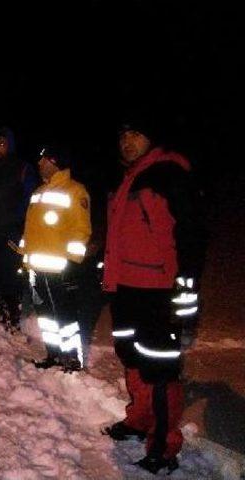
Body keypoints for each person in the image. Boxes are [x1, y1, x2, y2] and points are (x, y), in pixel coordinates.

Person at [101, 117, 204, 474]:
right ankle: (139, 420)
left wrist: (185, 293)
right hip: (126, 289)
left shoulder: (169, 176)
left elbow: (190, 238)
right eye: (123, 134)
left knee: (160, 370)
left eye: (137, 133)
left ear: (152, 138)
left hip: (159, 294)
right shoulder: (129, 177)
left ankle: (163, 446)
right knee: (131, 357)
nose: (127, 141)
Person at [20, 145, 92, 372]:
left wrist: (72, 263)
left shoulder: (75, 191)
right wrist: (25, 260)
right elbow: (29, 230)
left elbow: (81, 230)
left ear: (55, 161)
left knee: (65, 316)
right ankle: (53, 354)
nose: (39, 163)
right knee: (46, 317)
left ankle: (71, 358)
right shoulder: (38, 193)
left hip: (60, 269)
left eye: (43, 160)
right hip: (36, 268)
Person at [0, 127, 38, 331]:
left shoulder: (22, 168)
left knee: (12, 271)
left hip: (12, 230)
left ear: (9, 144)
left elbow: (31, 199)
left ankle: (14, 309)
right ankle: (0, 304)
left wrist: (18, 219)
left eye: (1, 143)